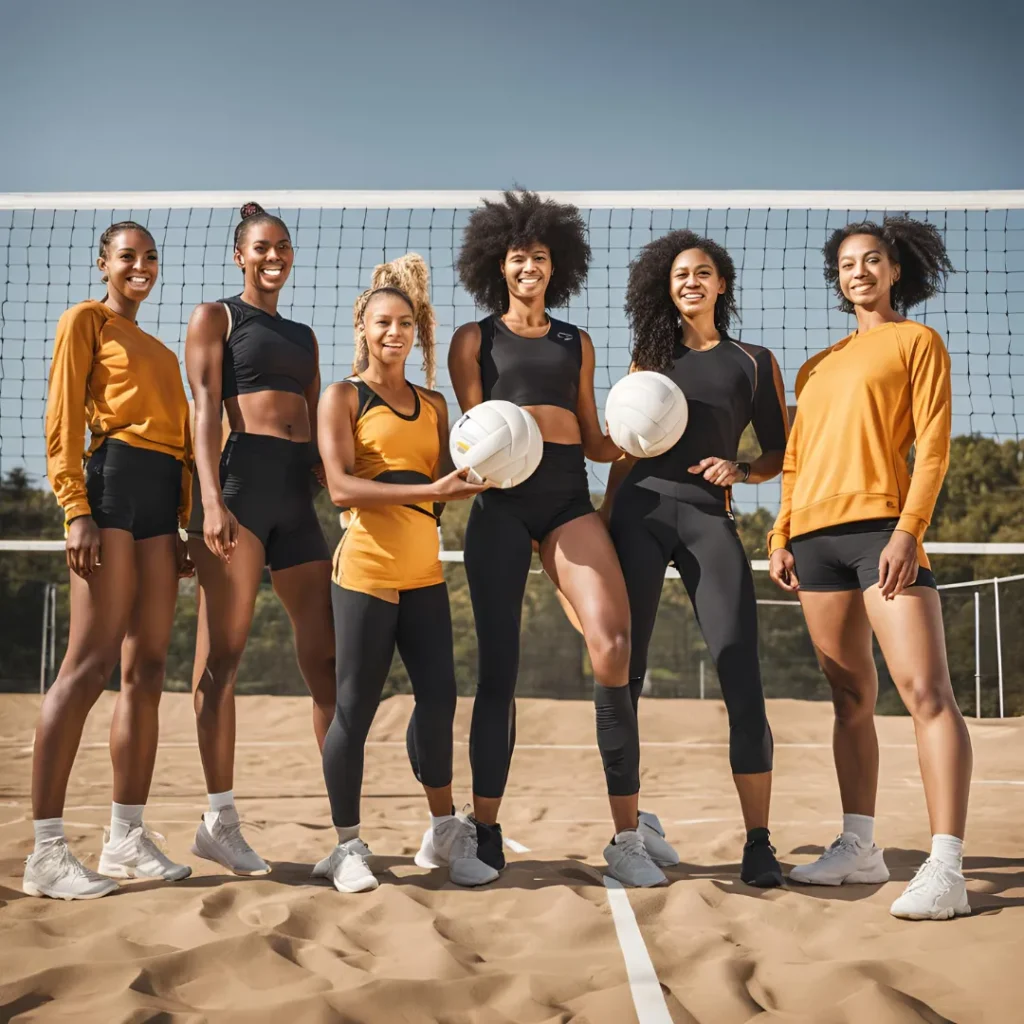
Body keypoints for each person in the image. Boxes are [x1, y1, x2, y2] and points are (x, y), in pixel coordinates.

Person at [416, 188, 664, 887]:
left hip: (564, 498)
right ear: (498, 262)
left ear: (559, 267)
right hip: (500, 502)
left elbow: (593, 440)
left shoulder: (573, 341)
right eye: (519, 255)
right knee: (500, 670)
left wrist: (640, 423)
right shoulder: (476, 339)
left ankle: (627, 836)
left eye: (542, 256)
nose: (530, 265)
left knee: (614, 645)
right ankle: (486, 832)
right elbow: (473, 434)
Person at [768, 216, 972, 920]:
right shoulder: (813, 367)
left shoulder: (917, 342)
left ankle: (947, 867)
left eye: (872, 261)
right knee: (850, 698)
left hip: (881, 531)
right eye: (848, 264)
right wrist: (780, 531)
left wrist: (908, 531)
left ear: (894, 272)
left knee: (926, 692)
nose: (859, 271)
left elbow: (934, 450)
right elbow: (795, 461)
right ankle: (860, 847)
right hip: (814, 542)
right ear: (839, 278)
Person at [602, 230, 789, 887]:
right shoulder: (646, 360)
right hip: (639, 519)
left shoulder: (754, 361)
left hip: (711, 519)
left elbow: (775, 452)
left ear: (721, 284)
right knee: (626, 673)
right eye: (680, 274)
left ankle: (760, 841)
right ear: (668, 285)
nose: (691, 282)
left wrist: (740, 469)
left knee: (741, 671)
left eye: (702, 273)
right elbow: (624, 450)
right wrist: (600, 520)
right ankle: (627, 833)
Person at [313, 255, 497, 892]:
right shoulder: (341, 396)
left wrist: (494, 463)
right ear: (363, 326)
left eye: (406, 324)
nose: (395, 334)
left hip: (424, 573)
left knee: (440, 700)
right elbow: (339, 488)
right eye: (383, 323)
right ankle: (346, 846)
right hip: (364, 571)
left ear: (419, 330)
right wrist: (430, 488)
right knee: (355, 709)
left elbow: (452, 480)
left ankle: (444, 831)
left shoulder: (434, 403)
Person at [24, 222, 194, 899]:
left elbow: (181, 442)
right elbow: (63, 413)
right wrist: (75, 507)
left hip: (160, 502)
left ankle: (126, 838)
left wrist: (182, 522)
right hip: (113, 483)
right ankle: (46, 850)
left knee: (147, 664)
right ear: (104, 264)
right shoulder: (85, 320)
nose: (141, 267)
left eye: (151, 258)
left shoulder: (160, 349)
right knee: (89, 663)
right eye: (129, 257)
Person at [185, 203, 335, 875]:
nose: (273, 255)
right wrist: (209, 501)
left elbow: (317, 433)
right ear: (240, 256)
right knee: (224, 656)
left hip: (296, 499)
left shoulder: (303, 336)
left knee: (326, 662)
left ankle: (347, 822)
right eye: (261, 247)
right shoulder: (216, 317)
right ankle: (219, 819)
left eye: (282, 246)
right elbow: (203, 410)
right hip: (239, 490)